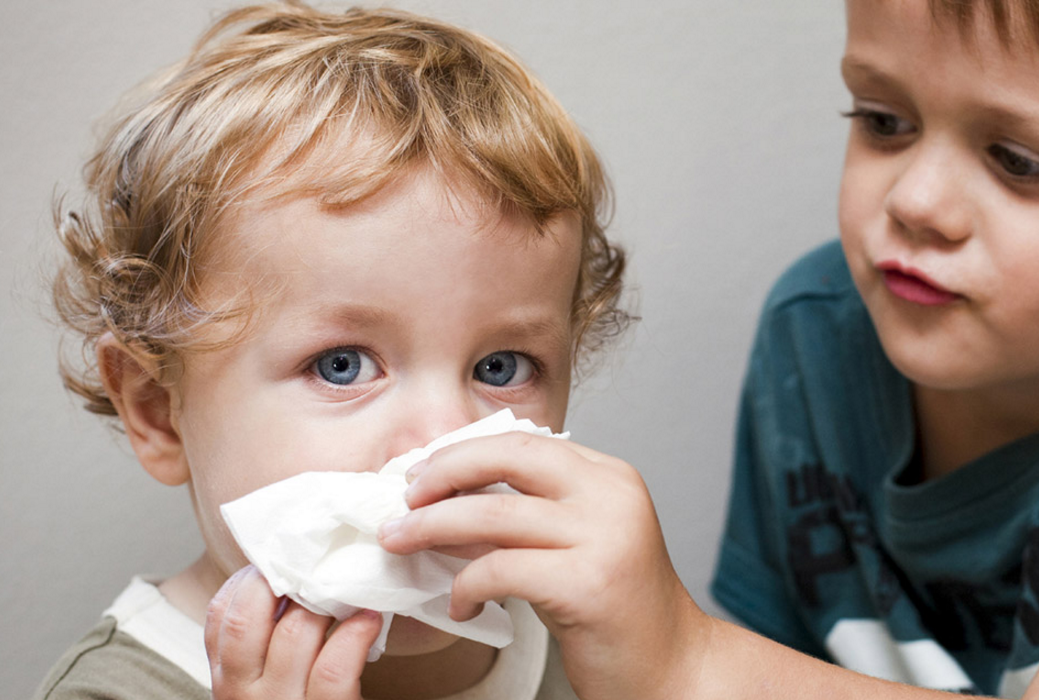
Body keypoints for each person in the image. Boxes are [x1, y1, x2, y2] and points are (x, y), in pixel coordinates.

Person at [376, 0, 1039, 698]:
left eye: (1018, 162)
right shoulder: (819, 334)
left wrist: (685, 658)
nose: (915, 202)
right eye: (883, 122)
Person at [34, 2, 627, 699]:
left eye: (501, 368)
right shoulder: (117, 691)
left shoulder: (592, 649)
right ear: (158, 408)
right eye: (340, 365)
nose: (444, 443)